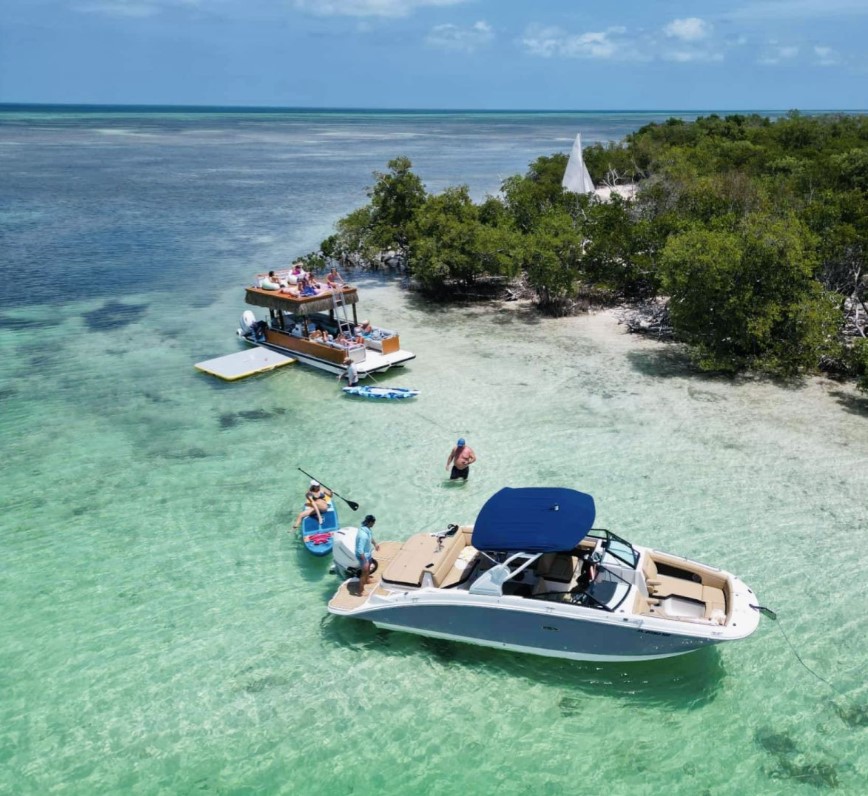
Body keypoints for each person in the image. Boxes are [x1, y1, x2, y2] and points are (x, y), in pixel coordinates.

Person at [354, 515, 379, 594]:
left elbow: (370, 537)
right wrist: (364, 561)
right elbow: (360, 550)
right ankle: (361, 590)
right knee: (364, 572)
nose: (374, 524)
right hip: (362, 555)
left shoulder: (367, 529)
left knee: (368, 568)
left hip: (367, 553)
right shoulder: (362, 535)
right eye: (374, 523)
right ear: (370, 522)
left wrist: (375, 544)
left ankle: (367, 580)